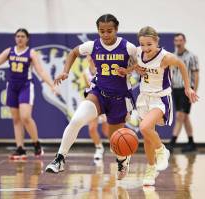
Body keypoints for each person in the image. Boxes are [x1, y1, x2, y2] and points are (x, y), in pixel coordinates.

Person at [45, 14, 137, 180]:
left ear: (116, 29)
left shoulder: (128, 47)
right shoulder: (92, 45)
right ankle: (60, 158)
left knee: (116, 141)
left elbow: (141, 64)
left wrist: (129, 71)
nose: (106, 34)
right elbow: (73, 52)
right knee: (76, 120)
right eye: (102, 31)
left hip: (119, 98)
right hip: (98, 93)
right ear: (98, 31)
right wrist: (66, 71)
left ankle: (123, 160)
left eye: (109, 31)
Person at [0, 28, 56, 159]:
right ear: (15, 38)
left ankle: (36, 144)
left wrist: (52, 85)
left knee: (25, 117)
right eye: (18, 36)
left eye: (23, 36)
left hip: (25, 86)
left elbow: (41, 71)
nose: (20, 38)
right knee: (16, 119)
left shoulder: (31, 53)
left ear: (27, 39)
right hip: (12, 87)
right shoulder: (9, 51)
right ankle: (20, 148)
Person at [133, 26, 198, 186]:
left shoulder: (165, 57)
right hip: (143, 97)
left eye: (149, 44)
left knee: (144, 127)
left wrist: (187, 87)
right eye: (142, 44)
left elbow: (182, 65)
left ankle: (162, 150)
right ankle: (151, 168)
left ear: (156, 42)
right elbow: (135, 67)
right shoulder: (137, 52)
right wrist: (133, 69)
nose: (146, 48)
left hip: (159, 99)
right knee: (148, 136)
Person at [166, 33, 200, 153]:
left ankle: (172, 143)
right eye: (176, 40)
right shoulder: (172, 56)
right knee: (184, 117)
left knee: (180, 116)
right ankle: (191, 142)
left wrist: (194, 91)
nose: (178, 42)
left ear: (184, 41)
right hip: (175, 89)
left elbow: (196, 75)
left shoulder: (192, 57)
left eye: (180, 40)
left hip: (186, 89)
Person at [82, 55, 108, 161]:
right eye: (89, 55)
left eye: (93, 55)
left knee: (107, 132)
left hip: (106, 101)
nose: (91, 58)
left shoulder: (104, 69)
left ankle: (119, 149)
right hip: (93, 102)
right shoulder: (85, 72)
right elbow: (87, 89)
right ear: (87, 58)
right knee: (92, 128)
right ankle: (99, 148)